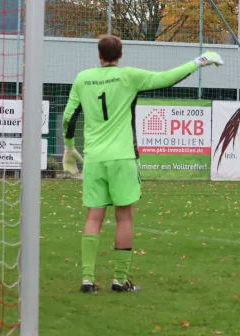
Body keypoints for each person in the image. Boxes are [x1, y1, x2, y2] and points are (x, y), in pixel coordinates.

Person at [61, 35, 223, 293]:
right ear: (121, 54)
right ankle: (119, 280)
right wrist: (198, 61)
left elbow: (69, 116)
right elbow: (167, 78)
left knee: (94, 217)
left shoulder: (82, 78)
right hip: (124, 158)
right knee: (124, 218)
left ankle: (87, 280)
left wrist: (69, 146)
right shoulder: (128, 77)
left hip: (93, 159)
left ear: (99, 56)